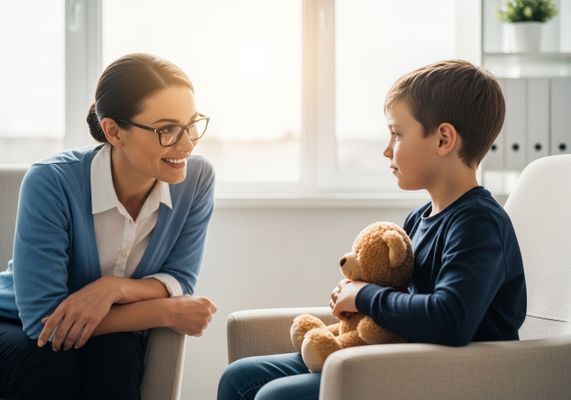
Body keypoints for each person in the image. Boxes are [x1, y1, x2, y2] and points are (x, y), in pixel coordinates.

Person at [217, 59, 527, 400]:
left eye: (396, 134)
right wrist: (355, 297)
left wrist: (364, 295)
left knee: (275, 396)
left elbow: (449, 319)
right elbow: (401, 300)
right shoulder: (417, 219)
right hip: (405, 357)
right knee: (239, 378)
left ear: (443, 139)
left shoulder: (478, 224)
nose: (386, 149)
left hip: (451, 375)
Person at [0, 53, 217, 400]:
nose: (187, 144)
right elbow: (43, 320)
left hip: (115, 321)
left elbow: (180, 278)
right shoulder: (50, 181)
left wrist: (114, 289)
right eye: (166, 130)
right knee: (48, 361)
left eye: (192, 124)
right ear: (114, 132)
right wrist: (163, 311)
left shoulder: (197, 179)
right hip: (15, 323)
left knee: (118, 355)